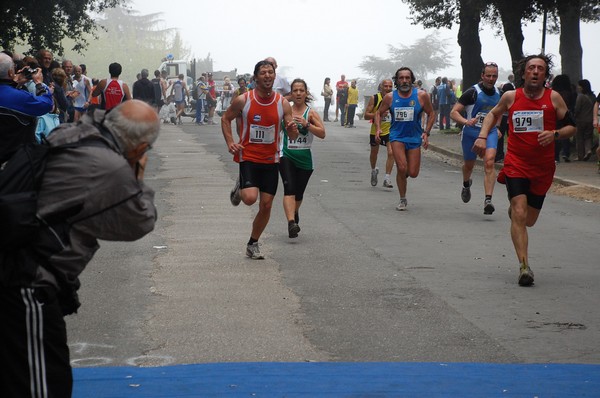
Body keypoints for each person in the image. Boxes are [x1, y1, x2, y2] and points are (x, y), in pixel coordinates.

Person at [0, 99, 159, 398]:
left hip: (17, 268)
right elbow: (141, 221)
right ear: (139, 147)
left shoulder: (73, 134)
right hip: (25, 283)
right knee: (43, 387)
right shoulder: (109, 167)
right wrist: (137, 171)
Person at [474, 54, 576, 286]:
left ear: (545, 74)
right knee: (519, 212)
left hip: (542, 168)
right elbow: (493, 114)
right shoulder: (511, 97)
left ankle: (516, 216)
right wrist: (482, 135)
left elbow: (572, 127)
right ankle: (524, 266)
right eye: (531, 68)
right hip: (516, 163)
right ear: (523, 73)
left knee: (528, 219)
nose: (535, 72)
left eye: (540, 68)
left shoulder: (554, 98)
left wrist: (555, 134)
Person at [221, 60, 299, 259]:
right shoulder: (244, 100)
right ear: (255, 77)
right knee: (249, 199)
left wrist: (292, 129)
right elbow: (225, 118)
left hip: (271, 160)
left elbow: (292, 135)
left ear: (274, 76)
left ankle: (253, 243)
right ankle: (240, 188)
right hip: (248, 156)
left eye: (270, 72)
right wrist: (231, 142)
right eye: (263, 72)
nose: (267, 75)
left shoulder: (282, 103)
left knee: (266, 205)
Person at [375, 67, 435, 211]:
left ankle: (403, 175)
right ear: (397, 80)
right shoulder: (390, 97)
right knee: (402, 167)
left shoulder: (421, 96)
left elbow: (431, 113)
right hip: (397, 136)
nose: (404, 81)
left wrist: (426, 132)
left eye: (407, 78)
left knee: (412, 173)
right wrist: (378, 128)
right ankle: (402, 199)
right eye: (401, 78)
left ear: (412, 80)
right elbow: (378, 113)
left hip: (414, 137)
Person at [450, 62, 501, 215]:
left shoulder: (500, 93)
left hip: (490, 132)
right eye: (488, 76)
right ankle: (466, 184)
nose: (491, 79)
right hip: (471, 133)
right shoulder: (472, 92)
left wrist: (497, 127)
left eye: (494, 76)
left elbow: (498, 113)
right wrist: (466, 121)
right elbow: (453, 112)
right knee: (469, 165)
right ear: (482, 76)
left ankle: (488, 200)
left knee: (490, 162)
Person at [279, 78, 326, 238]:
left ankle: (295, 211)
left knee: (298, 194)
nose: (298, 93)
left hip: (305, 159)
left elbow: (322, 134)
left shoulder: (311, 113)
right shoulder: (285, 112)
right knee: (289, 189)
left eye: (301, 90)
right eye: (295, 91)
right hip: (286, 155)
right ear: (290, 94)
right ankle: (291, 222)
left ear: (306, 93)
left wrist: (307, 124)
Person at [0, 52, 54, 162]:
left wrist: (15, 83)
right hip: (13, 161)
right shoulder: (21, 98)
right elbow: (47, 104)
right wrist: (39, 83)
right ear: (11, 72)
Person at [364, 79, 395, 188]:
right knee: (374, 153)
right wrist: (378, 114)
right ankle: (373, 170)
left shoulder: (395, 98)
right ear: (381, 87)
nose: (387, 88)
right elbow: (366, 115)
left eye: (390, 86)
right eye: (385, 86)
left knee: (391, 153)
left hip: (390, 131)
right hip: (376, 130)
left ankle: (387, 178)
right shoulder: (375, 98)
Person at [550, 75, 576, 163]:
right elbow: (573, 104)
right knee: (565, 134)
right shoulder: (570, 92)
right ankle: (566, 152)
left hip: (556, 115)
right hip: (567, 114)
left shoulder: (554, 93)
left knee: (555, 134)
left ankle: (556, 156)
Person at [574, 79, 595, 161]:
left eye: (579, 85)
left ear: (582, 87)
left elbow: (577, 109)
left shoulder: (580, 96)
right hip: (591, 120)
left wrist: (574, 116)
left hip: (581, 120)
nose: (578, 87)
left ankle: (580, 156)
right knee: (588, 137)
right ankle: (588, 150)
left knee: (579, 137)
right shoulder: (593, 96)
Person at [496, 75, 516, 163]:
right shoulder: (514, 96)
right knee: (512, 138)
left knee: (500, 138)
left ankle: (499, 155)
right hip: (510, 117)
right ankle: (512, 156)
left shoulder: (501, 96)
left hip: (503, 117)